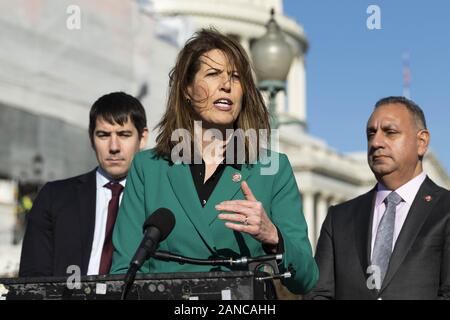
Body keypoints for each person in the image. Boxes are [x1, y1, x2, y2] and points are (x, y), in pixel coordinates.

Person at [111, 29, 318, 295]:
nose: (226, 85)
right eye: (213, 74)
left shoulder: (271, 167)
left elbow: (307, 278)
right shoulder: (148, 167)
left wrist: (273, 237)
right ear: (186, 89)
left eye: (235, 76)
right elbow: (123, 272)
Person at [308, 96, 450, 300]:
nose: (376, 142)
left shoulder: (444, 209)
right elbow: (319, 294)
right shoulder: (338, 218)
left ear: (421, 142)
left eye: (390, 133)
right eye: (370, 134)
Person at [19, 92, 148, 277]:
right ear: (91, 138)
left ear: (142, 138)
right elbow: (32, 278)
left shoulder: (158, 200)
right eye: (103, 135)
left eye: (124, 134)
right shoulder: (54, 198)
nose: (114, 147)